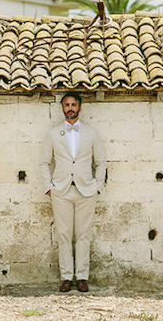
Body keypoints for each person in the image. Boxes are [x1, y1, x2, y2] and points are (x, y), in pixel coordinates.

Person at [40, 92, 106, 293]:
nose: (70, 108)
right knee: (64, 235)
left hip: (87, 190)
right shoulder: (53, 133)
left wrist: (98, 186)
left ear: (80, 107)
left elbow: (101, 162)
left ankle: (82, 278)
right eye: (67, 104)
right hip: (61, 191)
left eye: (73, 104)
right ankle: (67, 277)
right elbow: (44, 162)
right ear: (62, 108)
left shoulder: (91, 133)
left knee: (83, 235)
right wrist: (48, 187)